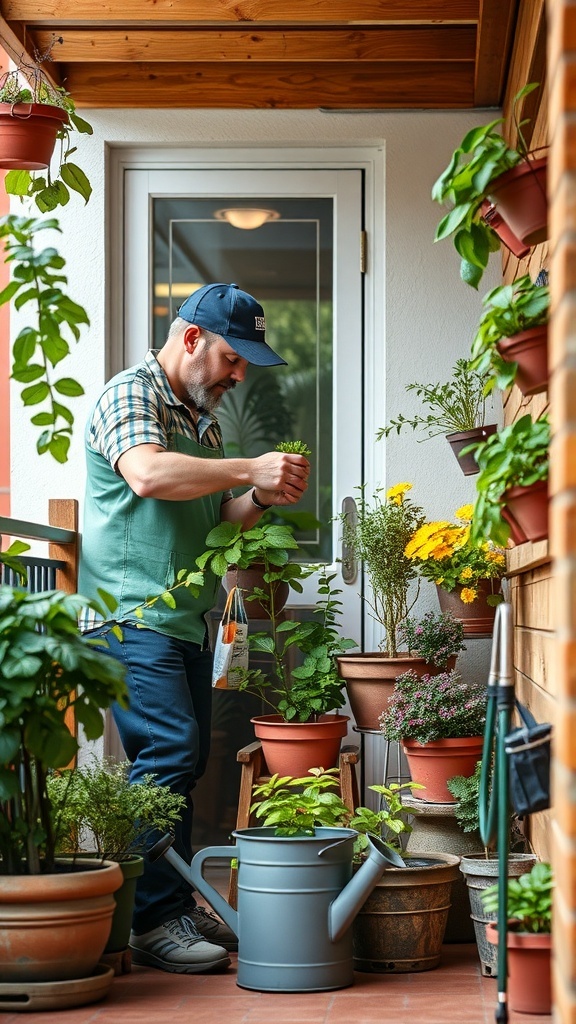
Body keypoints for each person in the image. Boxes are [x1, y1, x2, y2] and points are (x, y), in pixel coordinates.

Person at [78, 283, 310, 974]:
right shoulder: (132, 394)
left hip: (180, 618)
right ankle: (147, 919)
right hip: (128, 614)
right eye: (235, 359)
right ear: (190, 340)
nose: (240, 376)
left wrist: (259, 496)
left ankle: (167, 907)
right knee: (171, 752)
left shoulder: (201, 421)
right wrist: (248, 465)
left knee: (183, 762)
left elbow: (212, 517)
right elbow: (147, 475)